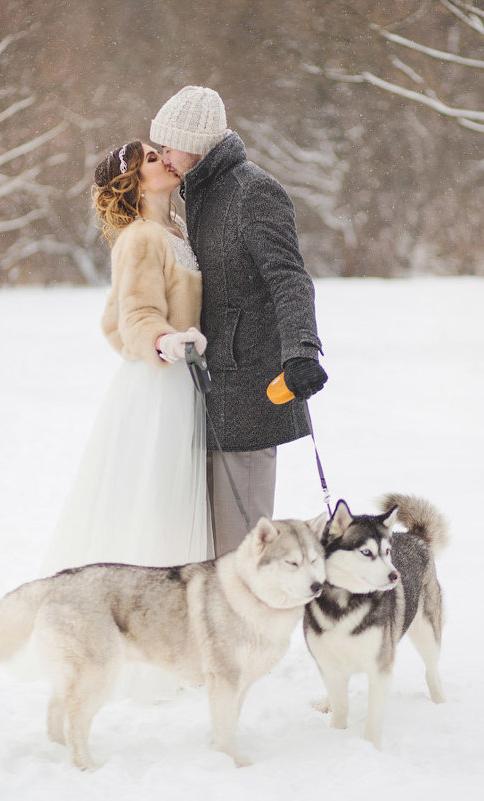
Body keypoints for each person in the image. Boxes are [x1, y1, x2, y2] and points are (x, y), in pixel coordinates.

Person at [150, 86, 328, 557]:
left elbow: (290, 279)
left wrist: (301, 353)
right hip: (205, 394)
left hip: (250, 395)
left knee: (242, 556)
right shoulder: (197, 194)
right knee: (206, 559)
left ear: (195, 143)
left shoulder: (253, 192)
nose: (162, 155)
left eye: (168, 145)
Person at [40, 140, 212, 580]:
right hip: (159, 388)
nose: (165, 158)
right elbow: (133, 316)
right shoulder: (139, 237)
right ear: (133, 183)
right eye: (152, 159)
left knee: (174, 500)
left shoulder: (177, 229)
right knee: (156, 501)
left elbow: (111, 316)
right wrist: (164, 341)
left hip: (185, 382)